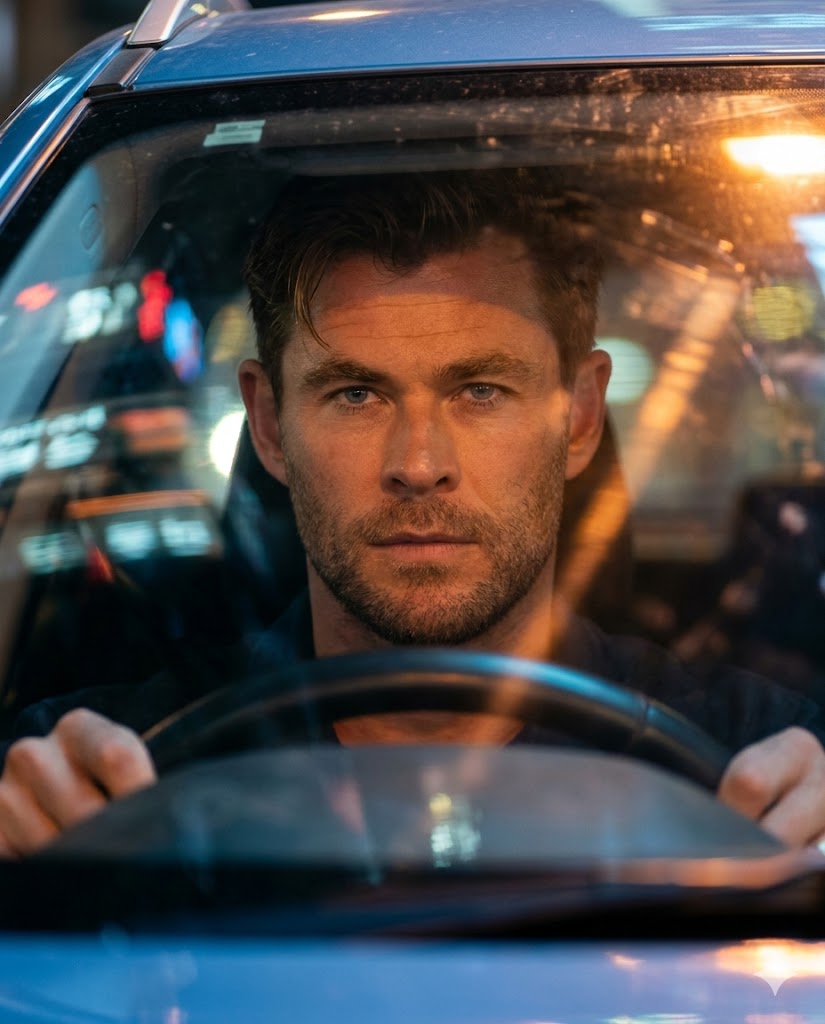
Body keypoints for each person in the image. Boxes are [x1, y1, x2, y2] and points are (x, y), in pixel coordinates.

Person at [0, 169, 824, 857]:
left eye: (480, 391)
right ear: (269, 424)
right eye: (355, 394)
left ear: (577, 417)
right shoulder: (93, 786)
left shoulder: (756, 772)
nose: (418, 466)